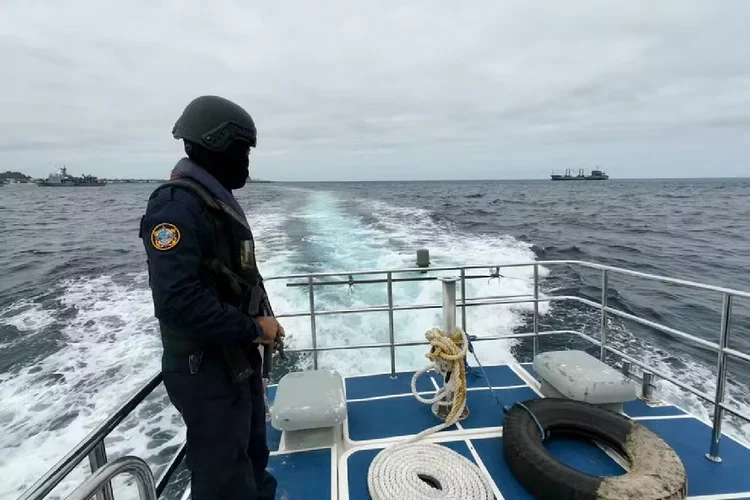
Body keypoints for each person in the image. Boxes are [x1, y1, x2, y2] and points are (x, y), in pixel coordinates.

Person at [139, 95, 283, 499]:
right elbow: (177, 302)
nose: (247, 163)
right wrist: (253, 327)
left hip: (234, 359)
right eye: (242, 151)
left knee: (254, 456)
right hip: (206, 371)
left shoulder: (211, 202)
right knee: (224, 478)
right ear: (215, 148)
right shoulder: (175, 209)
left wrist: (258, 323)